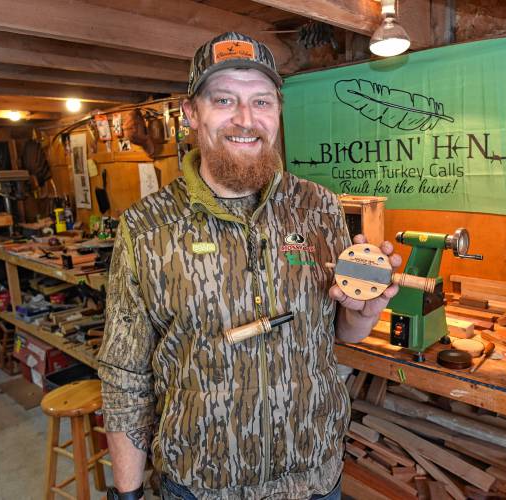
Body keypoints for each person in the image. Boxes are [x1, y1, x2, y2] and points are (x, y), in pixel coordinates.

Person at [98, 32, 401, 500]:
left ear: (277, 112)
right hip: (201, 485)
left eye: (261, 101)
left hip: (314, 478)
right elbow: (125, 375)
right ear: (191, 114)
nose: (246, 119)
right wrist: (127, 494)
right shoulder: (147, 226)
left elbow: (341, 333)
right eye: (224, 100)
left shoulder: (317, 206)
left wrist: (363, 313)